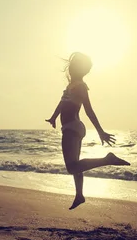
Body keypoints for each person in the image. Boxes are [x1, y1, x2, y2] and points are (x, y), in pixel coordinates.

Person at [46, 52, 130, 210]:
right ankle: (79, 195)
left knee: (72, 167)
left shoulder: (81, 87)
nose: (70, 69)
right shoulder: (70, 87)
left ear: (77, 69)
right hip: (72, 127)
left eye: (73, 66)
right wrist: (53, 117)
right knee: (77, 165)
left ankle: (107, 159)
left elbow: (89, 110)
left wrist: (100, 131)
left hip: (72, 127)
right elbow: (61, 103)